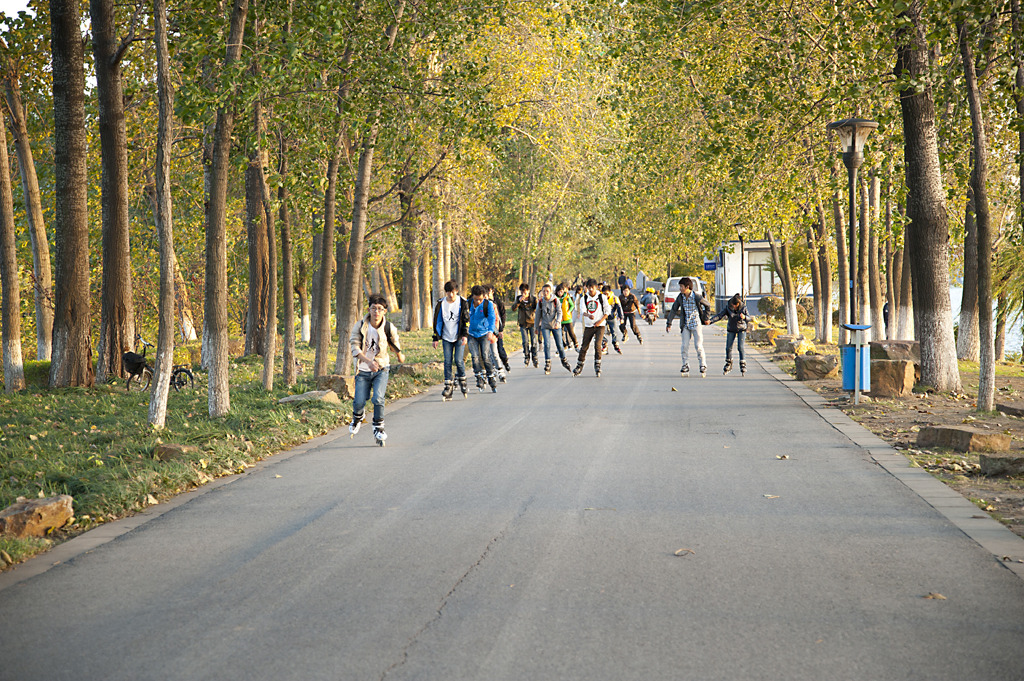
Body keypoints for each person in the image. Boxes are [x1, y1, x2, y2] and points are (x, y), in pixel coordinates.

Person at [348, 294, 405, 446]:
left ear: (385, 311)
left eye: (380, 309)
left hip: (382, 369)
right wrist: (368, 361)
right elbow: (354, 347)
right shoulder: (360, 326)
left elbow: (395, 344)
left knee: (378, 398)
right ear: (369, 309)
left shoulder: (389, 327)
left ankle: (379, 427)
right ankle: (358, 417)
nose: (376, 312)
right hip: (363, 370)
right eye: (374, 308)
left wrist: (399, 354)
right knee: (359, 401)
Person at [665, 277, 711, 378]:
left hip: (696, 324)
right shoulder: (680, 297)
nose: (680, 289)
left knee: (698, 346)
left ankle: (702, 365)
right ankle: (685, 364)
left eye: (681, 287)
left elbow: (707, 305)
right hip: (685, 325)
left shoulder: (697, 297)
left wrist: (706, 318)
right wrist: (669, 323)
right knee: (684, 346)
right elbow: (673, 309)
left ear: (687, 287)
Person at [432, 280, 469, 400]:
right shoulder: (440, 303)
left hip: (458, 336)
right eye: (448, 292)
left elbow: (466, 319)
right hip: (446, 336)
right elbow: (437, 321)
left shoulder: (462, 302)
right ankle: (448, 385)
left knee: (458, 360)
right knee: (447, 361)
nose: (450, 295)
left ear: (456, 291)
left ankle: (462, 380)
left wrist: (465, 335)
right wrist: (436, 338)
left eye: (453, 292)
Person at [572, 278, 611, 377]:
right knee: (584, 346)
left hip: (600, 326)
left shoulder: (602, 297)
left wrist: (600, 321)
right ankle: (579, 365)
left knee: (598, 345)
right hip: (589, 325)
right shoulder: (584, 298)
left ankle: (597, 365)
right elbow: (583, 311)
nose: (591, 290)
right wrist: (588, 315)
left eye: (592, 288)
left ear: (596, 287)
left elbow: (607, 311)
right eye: (589, 288)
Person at [709, 293, 752, 376]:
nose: (733, 307)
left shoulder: (743, 307)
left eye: (735, 306)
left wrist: (744, 317)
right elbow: (719, 315)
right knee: (728, 347)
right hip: (731, 328)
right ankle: (729, 362)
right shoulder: (728, 307)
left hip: (741, 328)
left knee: (740, 347)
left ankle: (742, 363)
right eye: (732, 305)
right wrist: (711, 321)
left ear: (738, 304)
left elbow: (749, 318)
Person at [534, 282, 573, 374]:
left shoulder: (555, 300)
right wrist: (536, 327)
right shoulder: (540, 302)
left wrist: (558, 322)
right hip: (545, 326)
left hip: (555, 325)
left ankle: (564, 360)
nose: (545, 293)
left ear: (551, 291)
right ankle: (548, 363)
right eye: (544, 291)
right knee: (546, 345)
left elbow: (560, 312)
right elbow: (537, 316)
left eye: (547, 291)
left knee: (559, 344)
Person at [466, 285, 499, 393]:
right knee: (475, 357)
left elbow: (491, 318)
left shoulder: (487, 304)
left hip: (484, 333)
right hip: (471, 334)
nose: (478, 301)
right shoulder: (467, 304)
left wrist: (490, 331)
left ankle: (491, 377)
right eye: (476, 299)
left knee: (485, 356)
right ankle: (479, 377)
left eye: (480, 299)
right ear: (473, 297)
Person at [484, 285, 510, 381]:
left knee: (495, 352)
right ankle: (491, 371)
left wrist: (499, 330)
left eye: (486, 296)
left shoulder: (493, 305)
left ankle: (500, 370)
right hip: (482, 334)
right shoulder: (477, 306)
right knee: (487, 354)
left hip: (492, 333)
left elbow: (497, 319)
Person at [511, 282, 538, 368]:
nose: (523, 294)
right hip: (523, 323)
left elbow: (537, 309)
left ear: (528, 291)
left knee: (533, 342)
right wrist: (518, 302)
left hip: (532, 323)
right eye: (522, 292)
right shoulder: (518, 298)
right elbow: (513, 309)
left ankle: (534, 357)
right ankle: (527, 357)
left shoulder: (533, 299)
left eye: (525, 292)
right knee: (525, 342)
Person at [600, 283, 623, 355]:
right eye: (604, 294)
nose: (606, 296)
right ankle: (604, 345)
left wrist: (621, 317)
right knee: (602, 332)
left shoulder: (615, 298)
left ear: (610, 292)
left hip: (611, 317)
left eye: (607, 294)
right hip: (602, 318)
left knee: (614, 331)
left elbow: (619, 308)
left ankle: (615, 344)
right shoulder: (600, 298)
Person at [557, 283, 579, 350]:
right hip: (560, 319)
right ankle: (564, 345)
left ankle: (576, 344)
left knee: (571, 332)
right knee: (560, 333)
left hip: (567, 318)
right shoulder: (555, 299)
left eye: (561, 291)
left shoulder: (567, 297)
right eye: (558, 292)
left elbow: (572, 305)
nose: (560, 293)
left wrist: (569, 311)